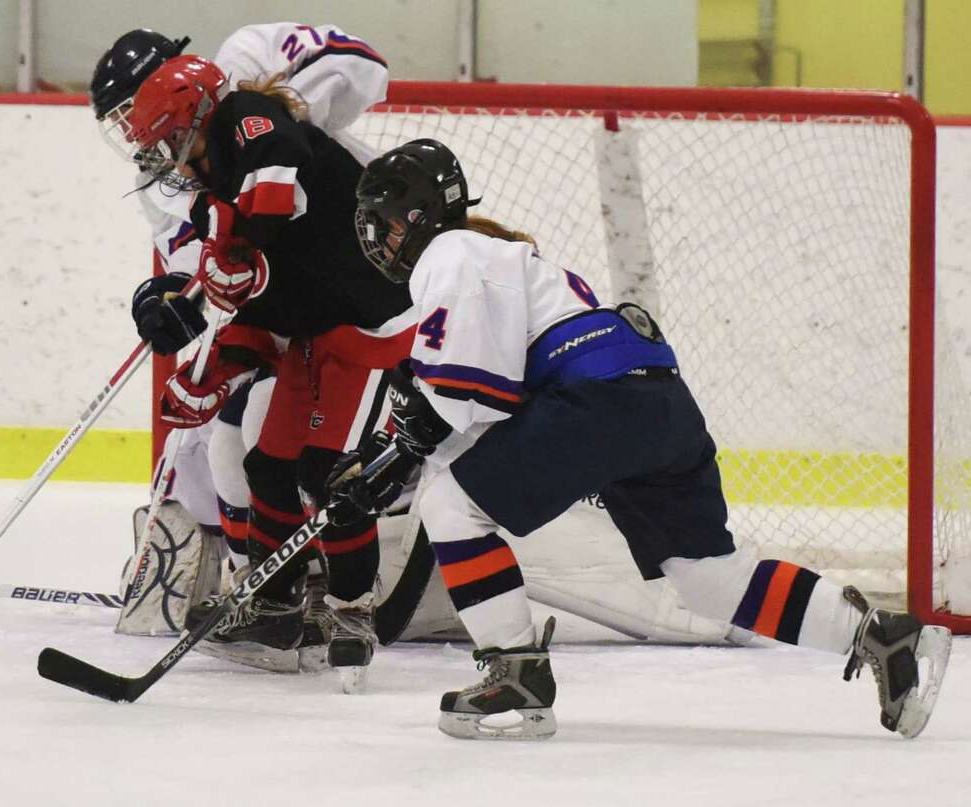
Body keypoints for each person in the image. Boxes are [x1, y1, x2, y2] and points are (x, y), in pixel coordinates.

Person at [328, 138, 953, 738]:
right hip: (657, 400)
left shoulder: (450, 254)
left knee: (449, 504)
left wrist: (398, 460)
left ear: (415, 213)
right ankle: (880, 634)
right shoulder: (506, 261)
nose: (379, 238)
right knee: (709, 577)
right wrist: (399, 455)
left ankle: (513, 672)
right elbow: (482, 405)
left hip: (597, 399)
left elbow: (467, 393)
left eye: (383, 221)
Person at [88, 24, 392, 669]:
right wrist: (196, 344)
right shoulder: (199, 185)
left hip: (370, 324)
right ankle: (274, 596)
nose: (160, 152)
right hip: (307, 326)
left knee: (325, 475)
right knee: (255, 460)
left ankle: (349, 609)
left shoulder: (250, 113)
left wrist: (234, 247)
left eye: (166, 134)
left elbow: (277, 191)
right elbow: (230, 286)